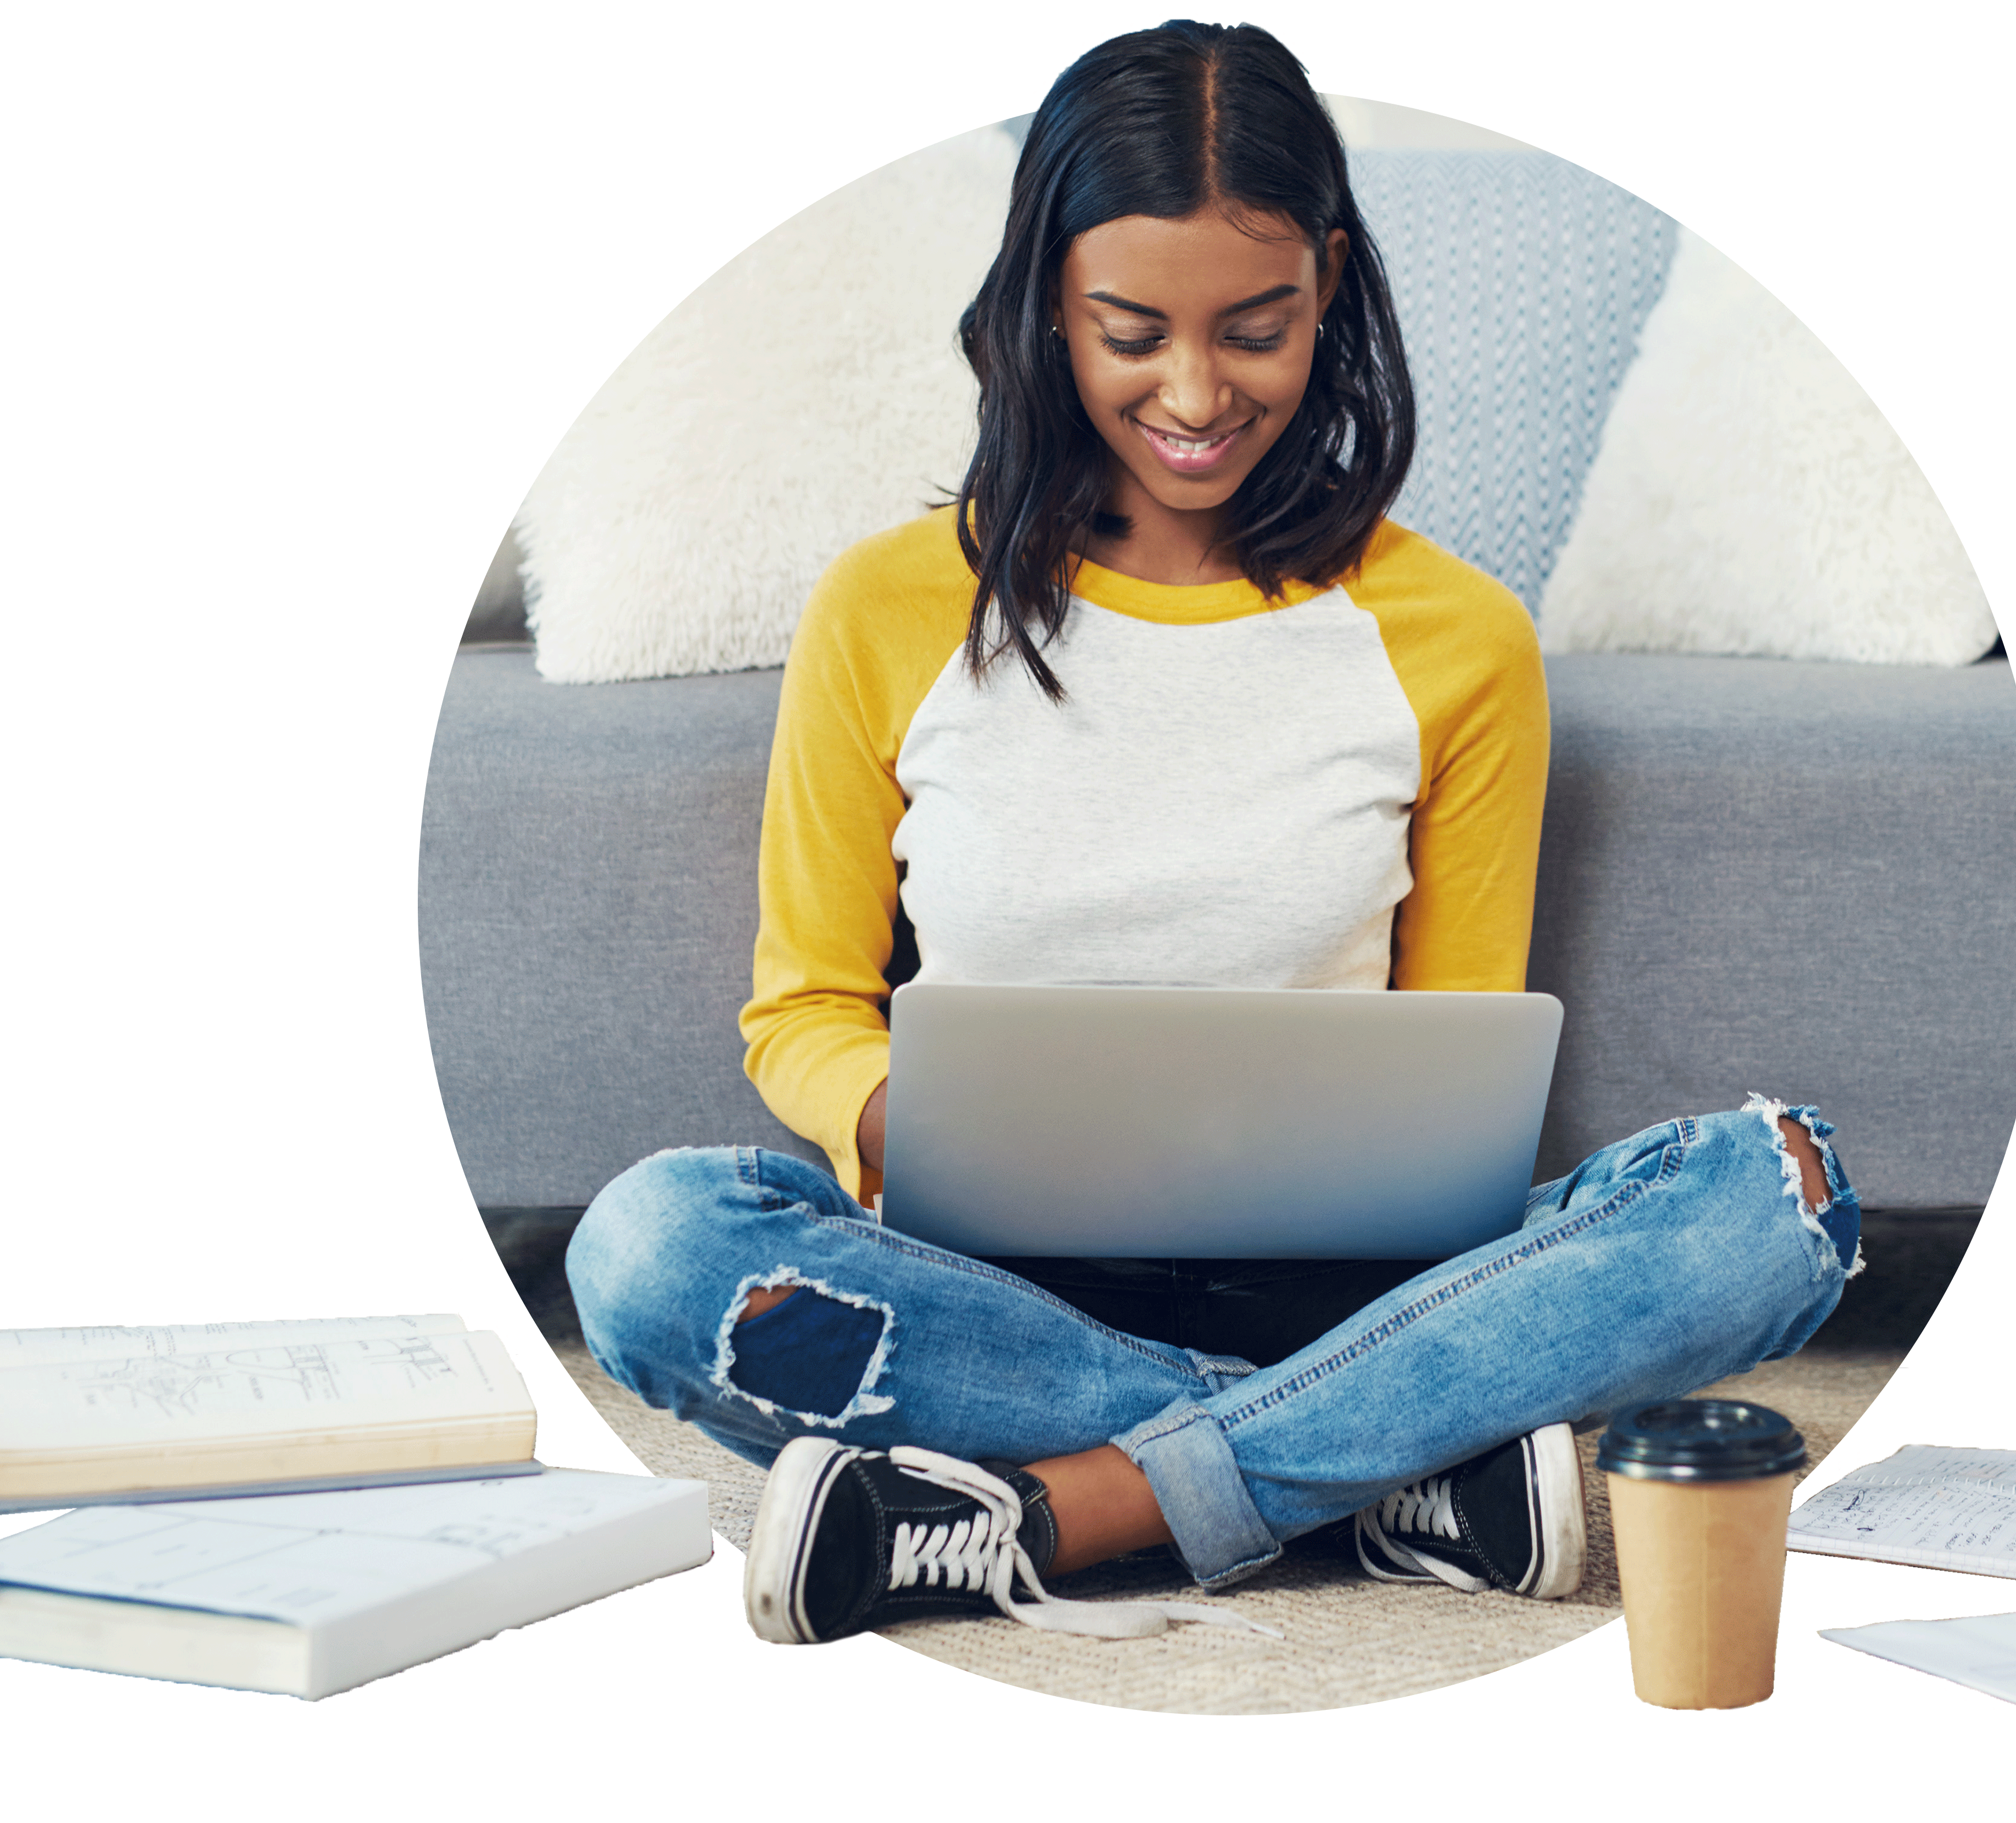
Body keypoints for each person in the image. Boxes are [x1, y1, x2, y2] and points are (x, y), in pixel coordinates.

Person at [567, 19, 1862, 1646]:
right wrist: (895, 1114)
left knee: (1779, 1190)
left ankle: (1072, 1504)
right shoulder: (888, 607)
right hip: (992, 1293)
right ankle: (1389, 1466)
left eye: (1254, 329)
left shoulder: (1452, 632)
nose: (1193, 396)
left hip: (1360, 1285)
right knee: (649, 1248)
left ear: (1328, 284)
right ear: (1049, 303)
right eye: (1131, 332)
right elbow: (800, 1007)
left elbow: (1455, 1057)